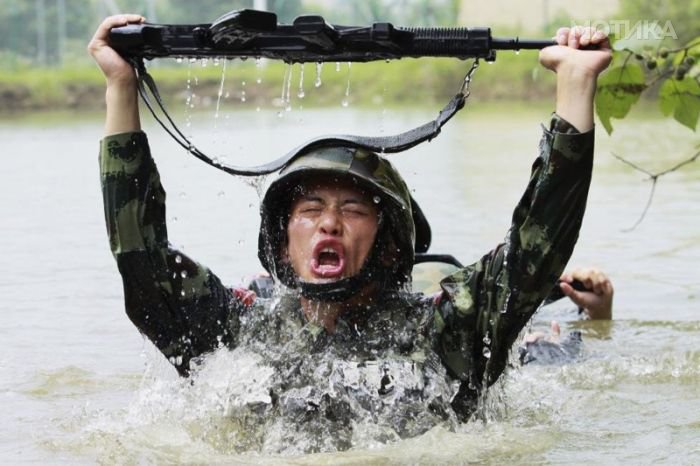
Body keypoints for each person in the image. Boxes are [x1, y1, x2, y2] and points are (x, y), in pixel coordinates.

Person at [89, 15, 612, 452]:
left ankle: (593, 315)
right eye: (310, 208)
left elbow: (532, 254)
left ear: (385, 241)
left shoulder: (444, 332)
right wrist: (121, 87)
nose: (329, 222)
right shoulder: (238, 330)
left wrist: (575, 84)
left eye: (354, 210)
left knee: (546, 347)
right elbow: (142, 260)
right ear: (282, 237)